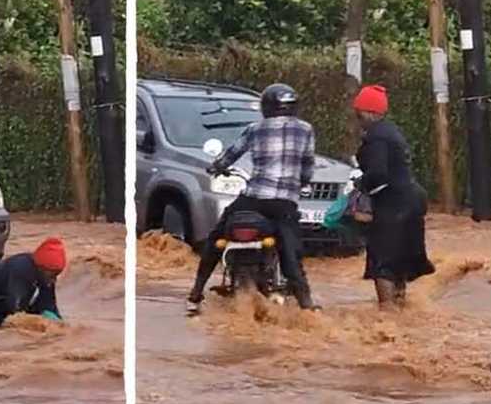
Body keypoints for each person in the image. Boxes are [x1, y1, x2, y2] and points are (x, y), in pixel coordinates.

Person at [186, 83, 320, 315]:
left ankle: (196, 293)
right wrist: (304, 183)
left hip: (254, 198)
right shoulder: (306, 130)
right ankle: (306, 303)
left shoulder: (255, 129)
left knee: (217, 237)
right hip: (284, 203)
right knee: (291, 252)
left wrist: (216, 167)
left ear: (266, 107)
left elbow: (230, 155)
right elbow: (307, 165)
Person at [352, 84, 435, 308]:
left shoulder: (377, 137)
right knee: (399, 260)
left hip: (394, 204)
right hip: (412, 199)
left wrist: (361, 184)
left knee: (382, 260)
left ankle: (386, 315)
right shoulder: (391, 131)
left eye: (358, 112)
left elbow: (378, 173)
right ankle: (400, 309)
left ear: (369, 112)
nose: (357, 117)